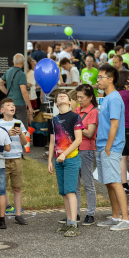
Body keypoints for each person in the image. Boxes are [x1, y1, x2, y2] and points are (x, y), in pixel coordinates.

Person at [95, 65, 129, 231]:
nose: (98, 80)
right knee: (109, 183)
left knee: (116, 182)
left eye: (101, 77)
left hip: (110, 147)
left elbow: (115, 125)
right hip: (103, 146)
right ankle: (115, 216)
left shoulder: (115, 98)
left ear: (110, 79)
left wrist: (109, 147)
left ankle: (125, 219)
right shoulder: (108, 97)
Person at [47, 92, 83, 237]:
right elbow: (51, 142)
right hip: (58, 160)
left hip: (71, 159)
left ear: (69, 102)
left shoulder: (75, 117)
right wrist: (50, 160)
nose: (61, 96)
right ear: (56, 103)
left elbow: (78, 139)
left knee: (70, 191)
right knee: (63, 192)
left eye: (65, 95)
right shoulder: (53, 120)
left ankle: (74, 224)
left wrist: (64, 154)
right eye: (59, 96)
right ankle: (68, 223)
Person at [0, 98, 28, 225]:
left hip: (16, 159)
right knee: (1, 189)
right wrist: (7, 134)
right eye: (9, 105)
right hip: (2, 159)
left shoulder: (18, 122)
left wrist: (20, 134)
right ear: (2, 110)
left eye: (13, 105)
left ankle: (18, 215)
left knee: (17, 188)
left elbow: (25, 142)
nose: (12, 106)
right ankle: (1, 215)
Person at [74, 84, 99, 226]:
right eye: (77, 97)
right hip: (75, 149)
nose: (79, 100)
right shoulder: (77, 110)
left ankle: (90, 214)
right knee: (75, 184)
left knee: (88, 183)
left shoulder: (93, 112)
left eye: (82, 97)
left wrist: (76, 127)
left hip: (86, 150)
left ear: (90, 97)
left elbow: (90, 133)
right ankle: (75, 213)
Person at [0, 53, 33, 129]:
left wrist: (8, 93)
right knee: (22, 128)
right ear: (23, 62)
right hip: (19, 105)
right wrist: (29, 106)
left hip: (9, 104)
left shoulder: (8, 72)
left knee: (10, 126)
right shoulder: (21, 74)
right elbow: (24, 91)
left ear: (13, 61)